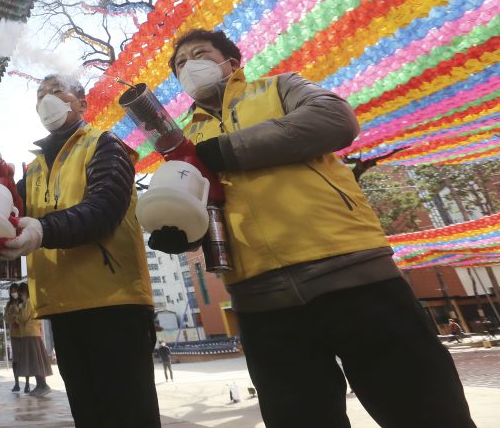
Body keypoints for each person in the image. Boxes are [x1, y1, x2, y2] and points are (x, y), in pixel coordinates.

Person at [150, 28, 475, 428]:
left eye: (199, 54)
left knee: (426, 412)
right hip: (261, 303)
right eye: (181, 64)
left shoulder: (278, 88)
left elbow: (335, 119)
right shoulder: (185, 141)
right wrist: (180, 228)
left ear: (231, 62)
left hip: (353, 277)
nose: (189, 66)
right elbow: (204, 208)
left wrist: (225, 151)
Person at [0, 74, 161, 427]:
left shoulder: (105, 144)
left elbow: (104, 209)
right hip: (63, 307)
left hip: (115, 304)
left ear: (82, 104)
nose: (47, 100)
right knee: (90, 415)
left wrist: (43, 229)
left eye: (56, 92)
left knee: (129, 415)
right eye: (40, 96)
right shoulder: (35, 168)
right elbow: (10, 215)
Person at [16, 281, 53, 396]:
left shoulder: (28, 302)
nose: (20, 296)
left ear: (24, 292)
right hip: (31, 333)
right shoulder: (30, 302)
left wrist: (17, 314)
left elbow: (24, 317)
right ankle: (39, 385)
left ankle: (43, 385)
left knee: (36, 361)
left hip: (31, 333)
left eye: (21, 293)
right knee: (34, 361)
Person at [4, 282, 26, 392]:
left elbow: (24, 315)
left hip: (23, 333)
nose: (13, 293)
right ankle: (16, 383)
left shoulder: (23, 302)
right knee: (15, 360)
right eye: (11, 291)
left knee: (25, 358)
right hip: (14, 334)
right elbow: (5, 318)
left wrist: (16, 312)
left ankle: (27, 384)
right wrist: (10, 314)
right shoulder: (8, 304)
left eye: (15, 291)